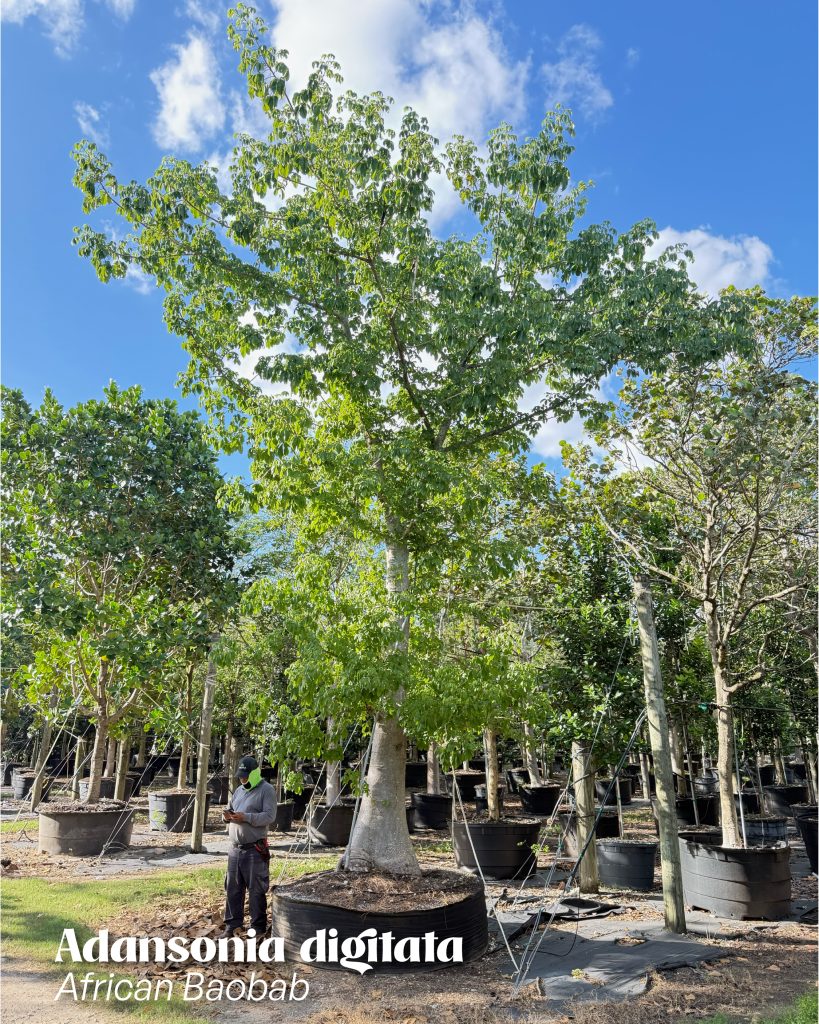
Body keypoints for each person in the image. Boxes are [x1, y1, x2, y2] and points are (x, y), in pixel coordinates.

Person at [219, 755, 277, 938]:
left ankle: (258, 927)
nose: (242, 779)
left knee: (256, 889)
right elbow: (229, 808)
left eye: (245, 775)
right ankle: (232, 925)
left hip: (255, 849)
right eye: (240, 775)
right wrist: (226, 817)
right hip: (235, 849)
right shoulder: (238, 791)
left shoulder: (266, 790)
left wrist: (246, 817)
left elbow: (269, 816)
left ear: (254, 773)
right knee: (232, 889)